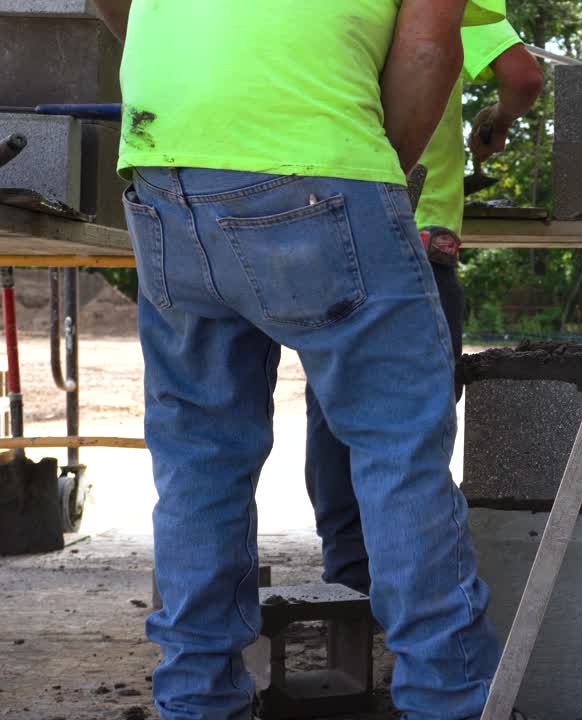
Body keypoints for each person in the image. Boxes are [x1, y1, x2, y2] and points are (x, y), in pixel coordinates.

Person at [92, 1, 507, 717]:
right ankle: (449, 700)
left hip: (166, 160)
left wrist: (204, 79)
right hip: (320, 153)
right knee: (398, 449)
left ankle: (197, 700)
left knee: (199, 454)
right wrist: (380, 174)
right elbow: (430, 51)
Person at [304, 19, 543, 596]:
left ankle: (349, 581)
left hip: (322, 218)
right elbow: (522, 75)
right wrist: (500, 120)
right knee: (412, 425)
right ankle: (415, 600)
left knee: (333, 411)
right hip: (414, 239)